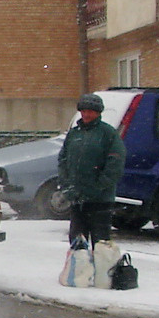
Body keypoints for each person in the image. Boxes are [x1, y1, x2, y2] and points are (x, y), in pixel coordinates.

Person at [58, 93, 125, 246]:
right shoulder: (74, 134)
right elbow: (63, 160)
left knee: (101, 244)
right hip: (77, 200)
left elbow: (115, 165)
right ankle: (79, 269)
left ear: (99, 113)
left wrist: (97, 187)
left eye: (91, 111)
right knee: (77, 243)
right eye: (84, 111)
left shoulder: (108, 134)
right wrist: (67, 186)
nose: (87, 114)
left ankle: (101, 269)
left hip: (100, 201)